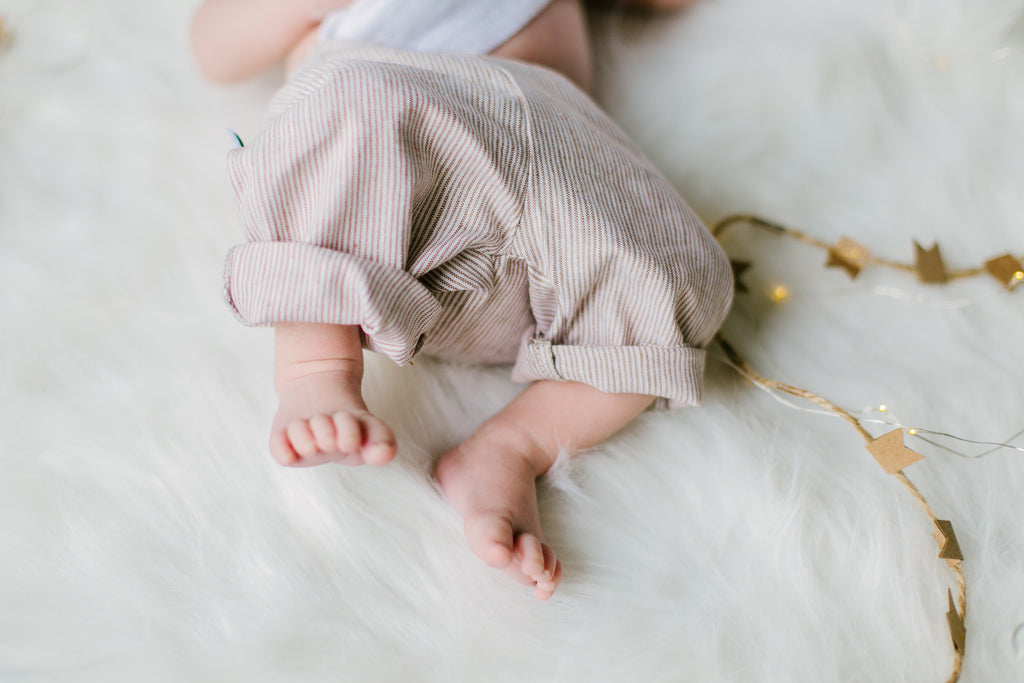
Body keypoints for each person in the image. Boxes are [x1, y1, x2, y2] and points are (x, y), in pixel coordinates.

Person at [192, 0, 728, 601]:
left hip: (553, 171)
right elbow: (212, 49)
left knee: (687, 274)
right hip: (400, 199)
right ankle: (317, 368)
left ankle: (511, 446)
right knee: (342, 96)